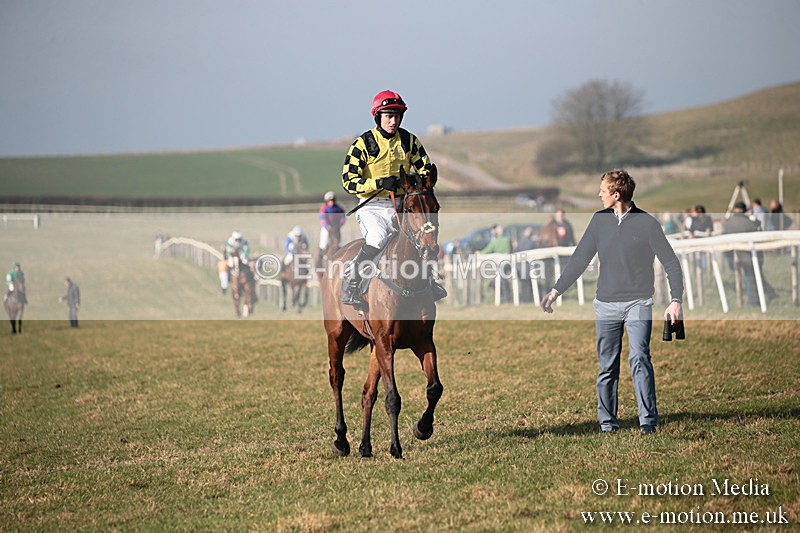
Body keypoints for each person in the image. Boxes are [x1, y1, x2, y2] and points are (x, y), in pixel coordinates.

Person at [540, 169, 684, 436]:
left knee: (640, 357)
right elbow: (580, 259)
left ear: (616, 195)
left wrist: (676, 300)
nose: (599, 194)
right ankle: (607, 424)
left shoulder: (648, 224)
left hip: (638, 303)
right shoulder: (598, 222)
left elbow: (671, 264)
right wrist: (556, 291)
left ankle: (648, 422)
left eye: (602, 191)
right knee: (607, 365)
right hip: (605, 304)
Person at [340, 89, 446, 306]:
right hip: (372, 207)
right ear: (378, 116)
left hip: (402, 205)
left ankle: (430, 282)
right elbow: (348, 180)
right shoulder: (363, 143)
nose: (393, 121)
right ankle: (353, 283)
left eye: (397, 116)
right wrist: (378, 183)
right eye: (389, 116)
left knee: (418, 239)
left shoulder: (409, 141)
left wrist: (418, 184)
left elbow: (425, 168)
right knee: (378, 239)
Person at [723, 201, 776, 304]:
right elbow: (758, 230)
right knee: (752, 277)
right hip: (749, 255)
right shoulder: (749, 222)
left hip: (736, 255)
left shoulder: (729, 223)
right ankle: (755, 301)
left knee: (753, 277)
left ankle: (769, 294)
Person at [316, 191, 346, 269]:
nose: (331, 202)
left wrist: (340, 224)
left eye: (332, 200)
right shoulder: (324, 208)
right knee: (323, 243)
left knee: (341, 243)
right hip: (327, 228)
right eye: (329, 200)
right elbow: (322, 219)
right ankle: (319, 261)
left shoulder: (339, 208)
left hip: (336, 227)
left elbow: (343, 217)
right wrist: (327, 226)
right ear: (327, 201)